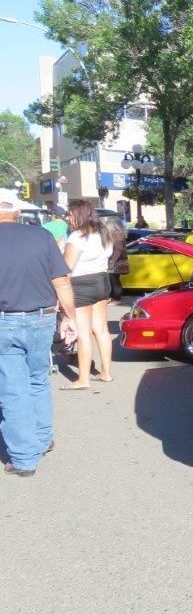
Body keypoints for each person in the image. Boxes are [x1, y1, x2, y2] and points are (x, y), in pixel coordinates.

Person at [0, 200, 77, 477]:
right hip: (42, 317)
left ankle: (23, 458)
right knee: (38, 379)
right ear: (18, 213)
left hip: (4, 321)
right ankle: (44, 439)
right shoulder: (41, 236)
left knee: (12, 388)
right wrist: (70, 318)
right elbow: (62, 281)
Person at [63, 200, 113, 389]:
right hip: (102, 280)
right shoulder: (103, 233)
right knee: (101, 329)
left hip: (81, 283)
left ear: (79, 214)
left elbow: (66, 269)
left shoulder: (77, 236)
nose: (68, 218)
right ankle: (106, 373)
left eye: (70, 213)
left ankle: (83, 379)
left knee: (84, 333)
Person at [104, 218, 129, 301]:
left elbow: (118, 250)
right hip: (119, 261)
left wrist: (112, 261)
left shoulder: (116, 235)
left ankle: (116, 298)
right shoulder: (120, 234)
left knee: (113, 280)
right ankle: (116, 298)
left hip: (116, 262)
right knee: (115, 280)